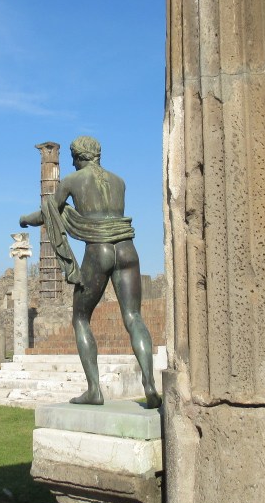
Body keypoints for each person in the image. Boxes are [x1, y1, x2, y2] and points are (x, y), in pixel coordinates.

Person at [20, 136, 161, 408]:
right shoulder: (119, 181)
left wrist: (24, 219)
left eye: (73, 158)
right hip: (128, 249)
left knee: (80, 318)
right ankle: (150, 384)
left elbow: (48, 213)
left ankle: (94, 390)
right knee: (133, 316)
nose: (72, 163)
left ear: (78, 156)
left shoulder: (72, 180)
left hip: (99, 250)